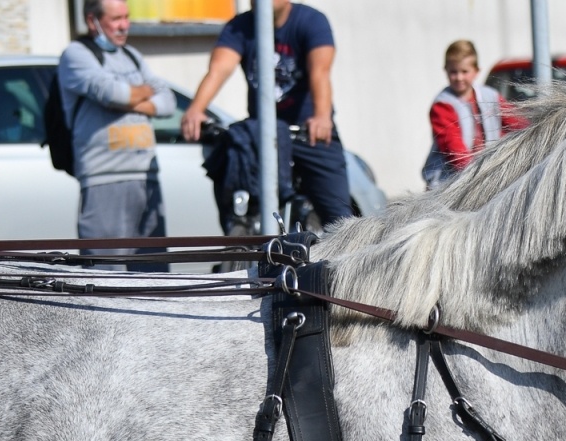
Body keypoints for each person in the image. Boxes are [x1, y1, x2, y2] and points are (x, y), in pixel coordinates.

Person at [180, 0, 353, 228]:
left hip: (308, 131)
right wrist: (195, 110)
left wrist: (321, 116)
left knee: (339, 216)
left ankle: (344, 258)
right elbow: (218, 70)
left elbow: (320, 71)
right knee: (231, 176)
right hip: (263, 133)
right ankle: (240, 244)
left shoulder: (311, 21)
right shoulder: (240, 26)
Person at [58, 0, 177, 271]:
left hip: (145, 176)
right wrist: (141, 91)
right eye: (115, 19)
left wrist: (129, 98)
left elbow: (168, 102)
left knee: (153, 278)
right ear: (92, 21)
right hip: (104, 177)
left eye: (126, 17)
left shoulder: (132, 55)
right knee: (106, 277)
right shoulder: (77, 54)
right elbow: (111, 93)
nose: (124, 25)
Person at [423, 39, 524, 188]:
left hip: (485, 175)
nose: (459, 77)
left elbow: (517, 123)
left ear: (477, 71)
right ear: (446, 70)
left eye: (464, 71)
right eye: (453, 72)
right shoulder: (442, 105)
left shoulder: (491, 96)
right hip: (449, 182)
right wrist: (478, 176)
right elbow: (454, 149)